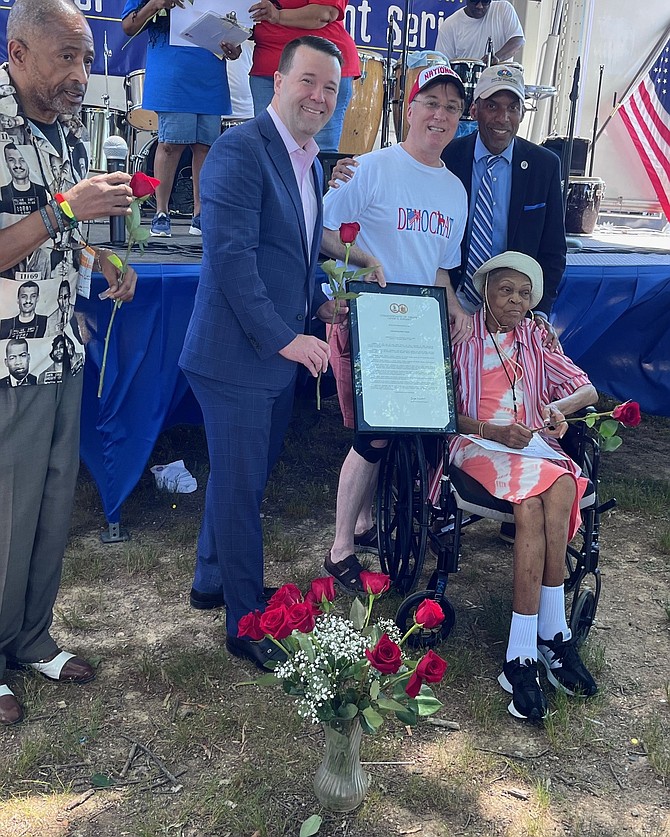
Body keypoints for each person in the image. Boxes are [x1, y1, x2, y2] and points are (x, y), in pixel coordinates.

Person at [179, 36, 342, 670]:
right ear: (276, 81)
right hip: (233, 358)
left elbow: (292, 257)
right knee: (244, 490)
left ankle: (212, 580)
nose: (319, 97)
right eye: (308, 82)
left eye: (329, 87)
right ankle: (246, 623)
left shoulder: (310, 160)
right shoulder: (239, 152)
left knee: (237, 477)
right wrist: (287, 338)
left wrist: (319, 304)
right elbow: (232, 265)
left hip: (270, 355)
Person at [0, 0, 138, 726]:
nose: (82, 74)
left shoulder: (72, 124)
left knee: (52, 507)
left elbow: (58, 237)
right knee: (5, 516)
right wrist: (64, 212)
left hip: (60, 349)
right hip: (6, 361)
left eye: (87, 58)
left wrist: (101, 256)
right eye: (67, 58)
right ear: (19, 52)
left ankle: (30, 637)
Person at [320, 65, 470, 593]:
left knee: (406, 428)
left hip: (421, 323)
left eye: (451, 107)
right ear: (409, 108)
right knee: (375, 433)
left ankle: (364, 525)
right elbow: (319, 232)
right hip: (374, 318)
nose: (441, 115)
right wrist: (363, 263)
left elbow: (439, 265)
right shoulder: (372, 168)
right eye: (431, 102)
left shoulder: (454, 189)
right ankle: (340, 550)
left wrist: (454, 305)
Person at [451, 250, 598, 722]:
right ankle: (524, 651)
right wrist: (493, 431)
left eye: (524, 292)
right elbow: (438, 409)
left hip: (532, 446)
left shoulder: (536, 338)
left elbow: (586, 389)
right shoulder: (460, 336)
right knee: (540, 493)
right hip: (478, 442)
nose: (515, 300)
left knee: (558, 486)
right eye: (505, 290)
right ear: (486, 292)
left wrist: (560, 411)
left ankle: (548, 638)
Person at [441, 65, 566, 326]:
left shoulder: (545, 165)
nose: (503, 117)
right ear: (474, 109)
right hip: (452, 301)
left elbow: (553, 249)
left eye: (512, 108)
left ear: (522, 112)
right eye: (493, 106)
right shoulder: (446, 157)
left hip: (513, 312)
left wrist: (539, 312)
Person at [121, 0, 240, 238]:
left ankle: (201, 214)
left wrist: (234, 47)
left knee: (205, 146)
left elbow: (235, 34)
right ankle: (161, 212)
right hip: (172, 66)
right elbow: (128, 26)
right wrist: (155, 3)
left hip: (209, 70)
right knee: (170, 144)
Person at [248, 0, 360, 152]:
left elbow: (324, 13)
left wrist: (277, 15)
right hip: (268, 66)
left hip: (322, 65)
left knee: (319, 152)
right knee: (268, 150)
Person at [434, 0, 525, 65]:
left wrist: (496, 58)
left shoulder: (503, 9)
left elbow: (518, 41)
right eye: (475, 1)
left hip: (501, 82)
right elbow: (442, 64)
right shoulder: (449, 25)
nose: (480, 6)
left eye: (485, 1)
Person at [0, 143, 49, 215]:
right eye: (11, 160)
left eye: (22, 160)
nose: (17, 165)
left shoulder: (43, 191)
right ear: (6, 163)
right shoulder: (1, 193)